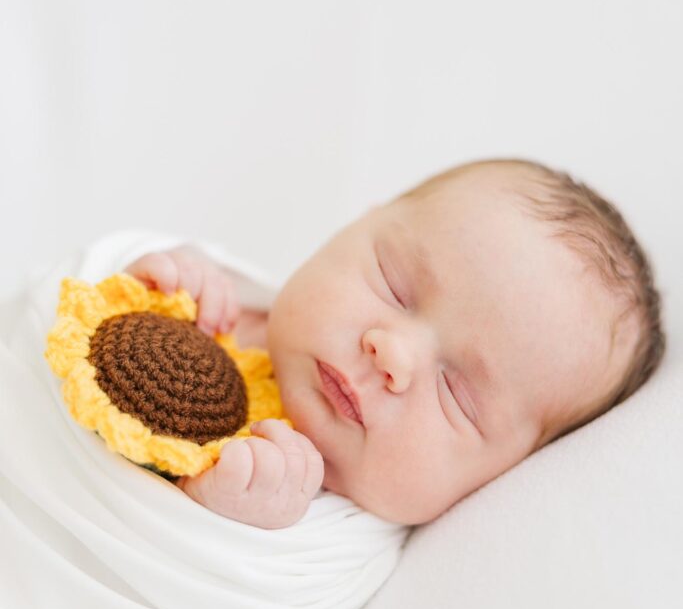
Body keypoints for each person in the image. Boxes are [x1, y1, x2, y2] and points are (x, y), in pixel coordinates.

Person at [123, 157, 666, 529]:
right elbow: (58, 332)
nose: (394, 355)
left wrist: (216, 523)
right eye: (394, 283)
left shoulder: (329, 539)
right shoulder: (214, 297)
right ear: (358, 224)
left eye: (457, 394)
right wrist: (134, 294)